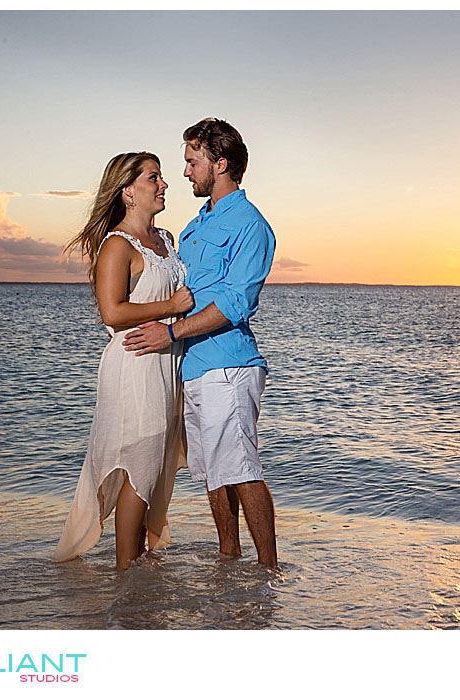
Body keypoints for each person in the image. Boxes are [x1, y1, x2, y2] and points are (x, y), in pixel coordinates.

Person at [123, 118, 278, 568]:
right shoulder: (194, 226)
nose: (186, 172)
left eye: (192, 162)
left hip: (229, 366)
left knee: (242, 469)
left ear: (221, 163)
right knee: (214, 472)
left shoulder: (250, 224)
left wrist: (170, 332)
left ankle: (270, 572)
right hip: (193, 368)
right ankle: (229, 559)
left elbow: (235, 302)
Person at [53, 152, 193, 570]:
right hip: (134, 366)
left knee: (157, 460)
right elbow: (111, 313)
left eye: (162, 177)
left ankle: (141, 567)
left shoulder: (166, 239)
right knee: (139, 462)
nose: (164, 184)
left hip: (166, 362)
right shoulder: (117, 245)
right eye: (154, 178)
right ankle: (125, 570)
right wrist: (170, 305)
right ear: (128, 190)